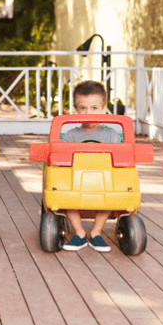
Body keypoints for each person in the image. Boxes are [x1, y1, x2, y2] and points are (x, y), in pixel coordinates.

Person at [61, 80, 120, 252]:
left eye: (94, 108)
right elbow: (62, 159)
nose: (88, 113)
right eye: (83, 108)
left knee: (113, 190)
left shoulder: (111, 134)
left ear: (103, 108)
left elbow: (118, 160)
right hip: (77, 180)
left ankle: (96, 232)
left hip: (104, 180)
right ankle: (79, 233)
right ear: (75, 109)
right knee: (64, 191)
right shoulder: (71, 135)